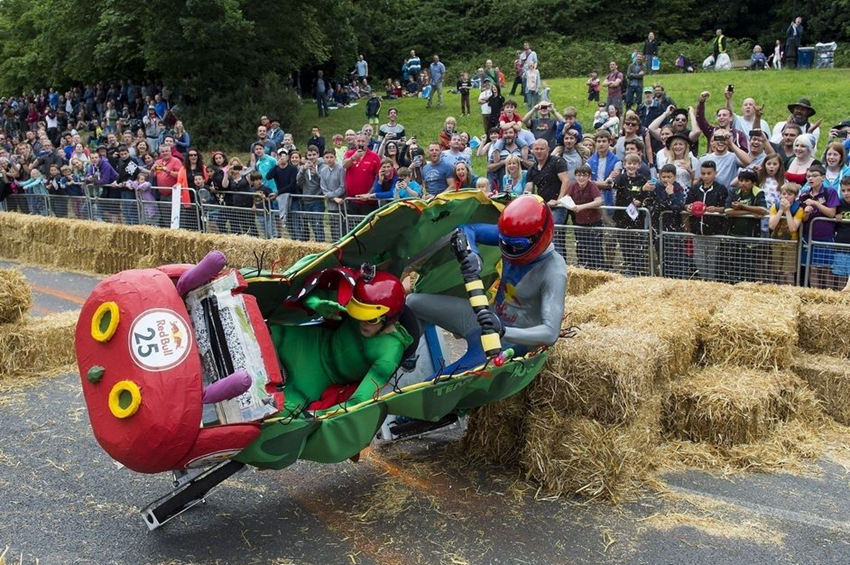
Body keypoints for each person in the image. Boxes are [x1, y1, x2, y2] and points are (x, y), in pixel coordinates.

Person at [406, 195, 567, 376]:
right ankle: (407, 358)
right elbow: (467, 229)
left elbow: (550, 333)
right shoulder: (513, 239)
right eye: (503, 242)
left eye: (515, 245)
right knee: (413, 302)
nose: (507, 250)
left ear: (540, 236)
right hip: (485, 317)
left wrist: (503, 330)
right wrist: (472, 253)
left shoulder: (554, 270)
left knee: (434, 384)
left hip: (508, 342)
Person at [271, 266, 412, 414]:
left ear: (389, 319)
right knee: (259, 333)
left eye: (370, 319)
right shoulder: (356, 300)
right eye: (357, 313)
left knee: (281, 409)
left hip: (321, 377)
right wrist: (315, 303)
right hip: (311, 342)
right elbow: (308, 292)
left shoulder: (390, 351)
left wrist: (316, 416)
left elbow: (358, 401)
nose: (361, 322)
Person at [685, 161, 729, 281]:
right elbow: (687, 203)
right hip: (697, 232)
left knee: (713, 261)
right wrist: (688, 207)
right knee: (699, 260)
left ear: (715, 173)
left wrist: (716, 209)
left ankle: (712, 282)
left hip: (714, 232)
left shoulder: (721, 189)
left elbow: (726, 208)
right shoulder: (695, 189)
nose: (706, 176)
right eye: (703, 173)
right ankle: (703, 281)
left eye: (709, 173)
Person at [800, 162, 839, 288]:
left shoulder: (830, 192)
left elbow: (832, 213)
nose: (810, 178)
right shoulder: (804, 194)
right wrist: (805, 213)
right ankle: (814, 294)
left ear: (822, 177)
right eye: (808, 176)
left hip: (825, 237)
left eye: (814, 175)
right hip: (808, 237)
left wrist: (816, 204)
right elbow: (803, 219)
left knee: (826, 269)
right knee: (812, 268)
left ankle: (828, 295)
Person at [724, 169, 767, 282]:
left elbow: (763, 210)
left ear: (753, 182)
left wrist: (743, 207)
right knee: (733, 265)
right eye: (741, 180)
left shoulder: (758, 192)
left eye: (747, 180)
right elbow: (728, 211)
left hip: (751, 236)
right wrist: (750, 212)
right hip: (733, 235)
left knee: (748, 266)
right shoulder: (734, 191)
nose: (743, 183)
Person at [566, 164, 604, 268]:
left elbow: (599, 201)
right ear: (575, 176)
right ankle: (583, 268)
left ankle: (598, 269)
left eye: (584, 175)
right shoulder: (573, 186)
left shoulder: (592, 186)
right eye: (578, 175)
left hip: (594, 222)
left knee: (595, 247)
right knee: (581, 246)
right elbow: (567, 198)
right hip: (580, 222)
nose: (581, 178)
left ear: (589, 177)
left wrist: (581, 207)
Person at [768, 183, 804, 285]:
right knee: (776, 271)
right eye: (784, 194)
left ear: (795, 196)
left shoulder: (799, 209)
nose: (786, 196)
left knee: (788, 272)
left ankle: (790, 292)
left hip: (791, 243)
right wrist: (780, 210)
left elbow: (793, 228)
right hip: (776, 241)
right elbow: (771, 226)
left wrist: (787, 211)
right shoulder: (775, 206)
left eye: (789, 194)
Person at [832, 176, 850, 290]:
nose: (846, 193)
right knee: (840, 274)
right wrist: (835, 216)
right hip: (841, 244)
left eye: (849, 190)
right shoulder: (839, 204)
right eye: (843, 190)